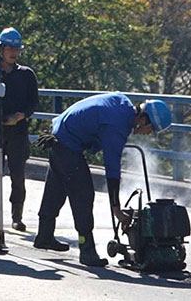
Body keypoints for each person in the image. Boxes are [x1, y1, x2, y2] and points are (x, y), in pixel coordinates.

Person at [33, 92, 172, 267]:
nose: (149, 134)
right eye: (151, 129)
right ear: (143, 120)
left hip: (59, 133)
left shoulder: (122, 103)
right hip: (66, 141)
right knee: (83, 194)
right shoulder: (119, 125)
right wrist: (117, 210)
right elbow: (112, 169)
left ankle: (44, 235)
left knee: (57, 187)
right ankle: (87, 250)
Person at [0, 27, 38, 233]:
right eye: (9, 48)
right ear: (0, 49)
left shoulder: (26, 75)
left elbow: (33, 103)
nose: (14, 53)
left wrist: (20, 116)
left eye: (17, 49)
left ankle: (17, 217)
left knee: (18, 175)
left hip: (18, 133)